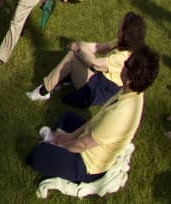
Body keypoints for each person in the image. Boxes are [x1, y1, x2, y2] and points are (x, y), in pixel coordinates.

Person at [26, 46, 159, 183]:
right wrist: (69, 136)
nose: (123, 65)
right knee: (68, 117)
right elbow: (95, 121)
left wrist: (61, 145)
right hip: (89, 138)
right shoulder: (130, 92)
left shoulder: (121, 114)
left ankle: (52, 145)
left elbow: (83, 145)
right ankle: (55, 140)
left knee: (38, 155)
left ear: (130, 78)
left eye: (126, 64)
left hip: (87, 164)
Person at [26, 12, 146, 106]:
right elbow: (97, 47)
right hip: (99, 78)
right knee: (78, 53)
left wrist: (77, 51)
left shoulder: (123, 57)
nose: (119, 25)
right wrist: (79, 44)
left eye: (121, 24)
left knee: (72, 57)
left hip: (98, 90)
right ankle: (63, 79)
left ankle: (44, 91)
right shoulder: (122, 43)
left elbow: (95, 64)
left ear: (125, 32)